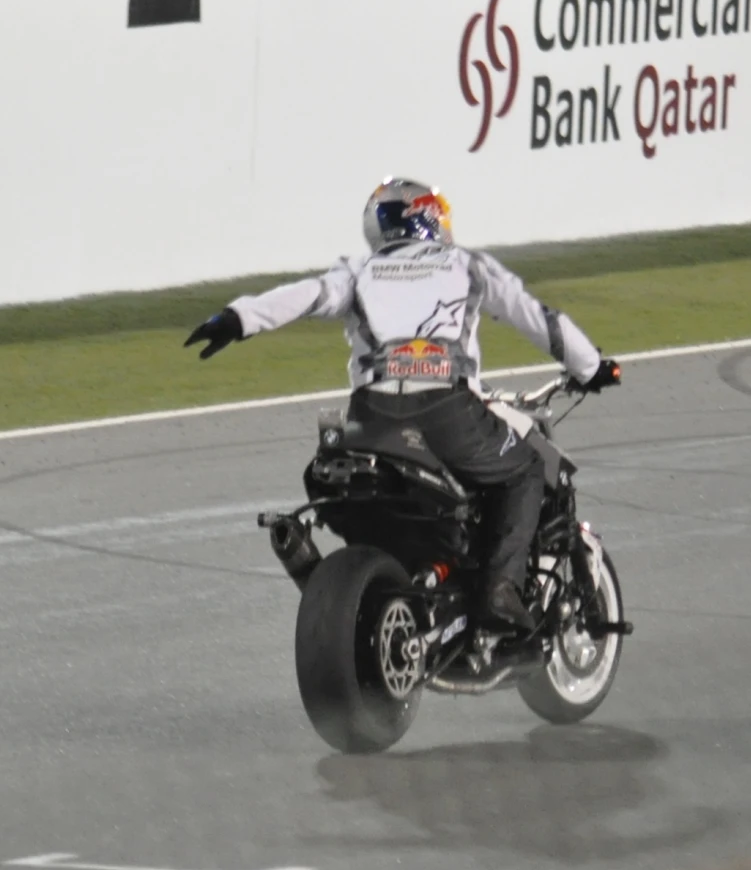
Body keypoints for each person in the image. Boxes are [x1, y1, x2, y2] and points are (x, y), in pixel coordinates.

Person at [183, 179, 621, 631]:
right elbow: (535, 317)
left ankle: (357, 582)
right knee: (525, 469)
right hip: (445, 410)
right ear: (427, 216)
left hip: (367, 416)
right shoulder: (464, 264)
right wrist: (589, 367)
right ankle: (499, 588)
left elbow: (305, 295)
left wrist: (237, 318)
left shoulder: (359, 270)